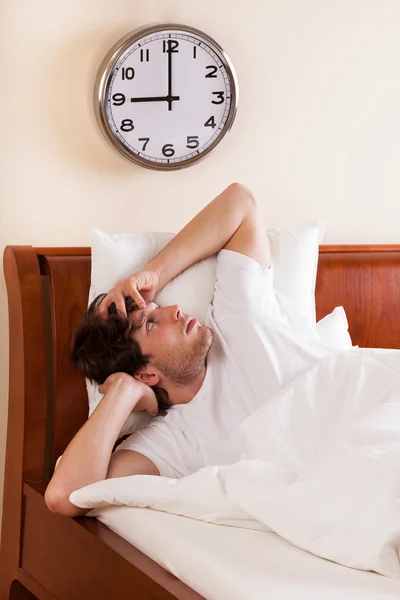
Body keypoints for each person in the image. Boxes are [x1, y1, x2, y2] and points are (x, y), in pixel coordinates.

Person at [45, 182, 331, 518]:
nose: (175, 310)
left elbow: (241, 202)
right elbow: (67, 496)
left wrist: (154, 273)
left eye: (157, 309)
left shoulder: (236, 315)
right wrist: (121, 393)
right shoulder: (172, 441)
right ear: (146, 374)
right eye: (151, 324)